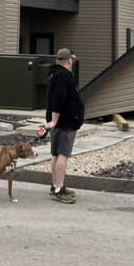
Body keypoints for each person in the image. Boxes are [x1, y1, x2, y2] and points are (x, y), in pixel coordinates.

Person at [44, 48, 84, 204]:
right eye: (71, 60)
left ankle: (56, 186)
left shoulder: (54, 74)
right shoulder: (64, 76)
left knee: (56, 153)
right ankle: (59, 189)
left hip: (59, 121)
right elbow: (58, 98)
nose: (72, 62)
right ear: (69, 60)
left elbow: (55, 98)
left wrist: (53, 120)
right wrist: (54, 120)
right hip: (65, 122)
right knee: (63, 154)